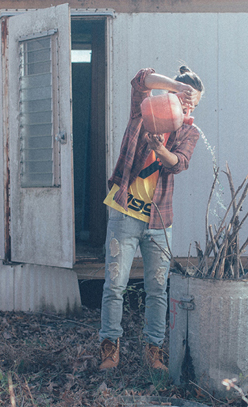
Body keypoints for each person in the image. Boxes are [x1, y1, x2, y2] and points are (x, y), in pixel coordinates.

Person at [99, 66, 205, 371]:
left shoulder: (190, 132)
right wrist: (175, 86)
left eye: (194, 104)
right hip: (124, 214)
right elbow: (140, 79)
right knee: (114, 285)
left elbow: (179, 163)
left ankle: (154, 351)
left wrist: (160, 149)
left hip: (160, 222)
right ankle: (110, 348)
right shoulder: (142, 112)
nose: (188, 108)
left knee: (158, 290)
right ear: (171, 93)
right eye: (184, 100)